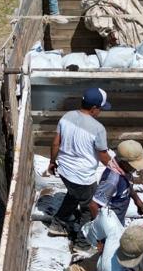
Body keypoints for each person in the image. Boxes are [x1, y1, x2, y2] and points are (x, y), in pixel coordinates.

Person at [46, 87, 118, 240]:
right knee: (89, 207)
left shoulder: (67, 116)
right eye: (100, 109)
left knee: (74, 194)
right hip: (82, 177)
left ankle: (59, 222)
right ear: (94, 108)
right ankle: (83, 242)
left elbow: (55, 143)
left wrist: (52, 162)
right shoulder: (98, 129)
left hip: (64, 171)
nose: (100, 112)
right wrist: (117, 170)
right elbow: (103, 155)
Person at [92, 139, 143, 224]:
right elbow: (94, 205)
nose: (135, 168)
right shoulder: (112, 181)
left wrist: (136, 200)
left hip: (118, 220)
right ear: (123, 162)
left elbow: (127, 185)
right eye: (133, 165)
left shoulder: (125, 171)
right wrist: (101, 227)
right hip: (109, 224)